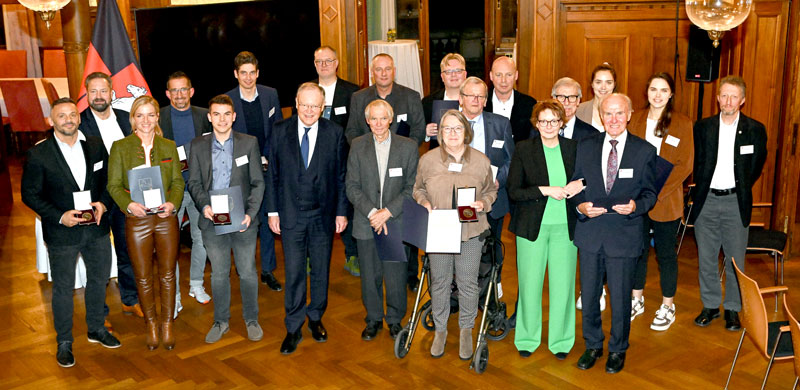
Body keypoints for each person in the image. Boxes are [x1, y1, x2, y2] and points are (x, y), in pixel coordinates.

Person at [22, 97, 121, 368]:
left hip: (97, 230)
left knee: (98, 280)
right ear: (51, 121)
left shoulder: (96, 146)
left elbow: (110, 182)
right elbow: (29, 195)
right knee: (64, 289)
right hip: (62, 234)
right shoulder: (38, 154)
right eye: (62, 116)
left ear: (79, 118)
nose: (68, 120)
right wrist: (59, 216)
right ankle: (64, 341)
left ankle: (96, 329)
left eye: (72, 115)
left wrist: (103, 203)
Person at [572, 93, 657, 374]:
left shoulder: (644, 151)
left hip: (624, 234)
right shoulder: (584, 147)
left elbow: (649, 193)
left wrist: (636, 206)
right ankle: (593, 345)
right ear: (600, 115)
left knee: (621, 298)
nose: (614, 119)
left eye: (619, 113)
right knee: (590, 293)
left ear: (630, 114)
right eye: (608, 114)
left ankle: (618, 349)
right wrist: (580, 205)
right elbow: (575, 185)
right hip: (591, 233)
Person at [267, 83, 348, 355]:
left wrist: (340, 212)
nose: (310, 110)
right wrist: (272, 211)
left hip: (322, 216)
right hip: (289, 215)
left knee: (321, 270)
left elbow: (340, 177)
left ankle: (315, 318)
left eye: (315, 106)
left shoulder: (335, 134)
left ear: (322, 107)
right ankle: (293, 326)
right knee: (294, 272)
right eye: (305, 105)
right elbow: (273, 176)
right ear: (296, 103)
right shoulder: (279, 131)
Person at [413, 109, 497, 360]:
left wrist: (484, 203)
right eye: (447, 128)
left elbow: (491, 190)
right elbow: (417, 189)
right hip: (439, 229)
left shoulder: (481, 161)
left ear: (466, 132)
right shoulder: (427, 160)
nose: (452, 133)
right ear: (440, 133)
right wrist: (424, 203)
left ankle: (465, 330)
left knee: (467, 283)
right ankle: (440, 330)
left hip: (471, 231)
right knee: (438, 282)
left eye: (457, 128)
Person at [689, 75, 767, 331]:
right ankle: (710, 306)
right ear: (718, 98)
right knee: (707, 258)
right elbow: (697, 162)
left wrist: (739, 187)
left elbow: (755, 167)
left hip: (736, 202)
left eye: (734, 96)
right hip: (707, 201)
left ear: (742, 100)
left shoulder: (755, 130)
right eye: (724, 95)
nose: (728, 100)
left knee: (735, 260)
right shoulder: (703, 128)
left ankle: (733, 308)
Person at [107, 96, 184, 350]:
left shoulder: (168, 146)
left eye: (151, 115)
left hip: (164, 219)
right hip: (137, 220)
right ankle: (151, 323)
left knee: (168, 274)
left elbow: (178, 183)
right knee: (142, 276)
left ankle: (167, 324)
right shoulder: (120, 147)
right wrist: (129, 205)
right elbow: (113, 185)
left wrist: (172, 203)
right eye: (140, 115)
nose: (146, 120)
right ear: (132, 119)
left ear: (157, 117)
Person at [187, 95, 265, 344]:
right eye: (216, 114)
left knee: (248, 272)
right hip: (212, 221)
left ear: (234, 116)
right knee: (219, 274)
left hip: (242, 221)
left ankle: (251, 319)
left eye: (226, 114)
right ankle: (220, 321)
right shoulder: (197, 145)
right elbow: (194, 182)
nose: (222, 119)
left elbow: (257, 182)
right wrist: (204, 205)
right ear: (209, 117)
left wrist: (250, 215)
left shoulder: (248, 143)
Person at [508, 100, 581, 359]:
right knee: (529, 284)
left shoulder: (574, 148)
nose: (548, 126)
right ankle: (527, 337)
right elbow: (514, 191)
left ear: (561, 123)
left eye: (553, 120)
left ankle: (561, 341)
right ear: (536, 124)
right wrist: (545, 190)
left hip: (566, 228)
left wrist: (579, 185)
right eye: (543, 121)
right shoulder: (524, 149)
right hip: (531, 228)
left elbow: (586, 178)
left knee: (563, 287)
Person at [346, 100, 419, 340]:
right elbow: (352, 186)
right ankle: (374, 319)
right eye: (373, 119)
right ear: (367, 121)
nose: (378, 123)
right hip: (366, 222)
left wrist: (387, 212)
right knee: (370, 275)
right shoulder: (357, 146)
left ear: (391, 119)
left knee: (396, 275)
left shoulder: (407, 147)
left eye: (383, 118)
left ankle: (395, 319)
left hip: (395, 221)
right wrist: (372, 213)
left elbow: (412, 187)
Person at [628, 72, 694, 331]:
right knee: (639, 252)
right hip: (636, 200)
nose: (657, 95)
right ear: (647, 92)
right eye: (653, 89)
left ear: (671, 94)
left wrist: (655, 193)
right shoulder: (635, 119)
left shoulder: (682, 123)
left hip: (666, 200)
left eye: (663, 90)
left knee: (666, 255)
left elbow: (684, 165)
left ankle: (668, 304)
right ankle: (637, 299)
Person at [78, 72, 141, 320]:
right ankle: (99, 314)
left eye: (103, 90)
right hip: (97, 202)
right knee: (99, 261)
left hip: (126, 197)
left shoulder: (127, 120)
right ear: (87, 94)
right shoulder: (80, 124)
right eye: (93, 91)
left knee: (128, 252)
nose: (99, 96)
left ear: (111, 92)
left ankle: (130, 300)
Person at [225, 51, 284, 292]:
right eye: (243, 73)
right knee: (244, 221)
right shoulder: (227, 100)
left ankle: (268, 270)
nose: (248, 78)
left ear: (257, 73)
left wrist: (268, 157)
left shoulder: (271, 95)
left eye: (252, 73)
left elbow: (278, 128)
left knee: (270, 217)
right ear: (236, 75)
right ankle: (245, 269)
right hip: (240, 170)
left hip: (268, 167)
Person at [160, 71, 212, 306]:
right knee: (170, 245)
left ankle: (196, 284)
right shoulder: (158, 118)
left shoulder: (205, 115)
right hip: (172, 191)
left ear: (191, 91)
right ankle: (175, 296)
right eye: (174, 90)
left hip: (199, 188)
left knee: (201, 239)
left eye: (184, 89)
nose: (179, 95)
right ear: (168, 93)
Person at [458, 77, 514, 293]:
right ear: (461, 99)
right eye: (471, 95)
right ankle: (461, 288)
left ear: (485, 100)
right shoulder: (450, 124)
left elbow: (511, 160)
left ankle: (493, 284)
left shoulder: (500, 124)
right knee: (462, 243)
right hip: (458, 198)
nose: (476, 99)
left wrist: (499, 180)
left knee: (491, 244)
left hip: (492, 198)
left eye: (480, 96)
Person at [311, 45, 362, 277]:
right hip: (313, 162)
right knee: (315, 209)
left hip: (344, 161)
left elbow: (356, 129)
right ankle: (312, 257)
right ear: (314, 64)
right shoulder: (307, 91)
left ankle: (352, 255)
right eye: (319, 61)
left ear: (336, 63)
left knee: (347, 209)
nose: (324, 65)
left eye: (328, 61)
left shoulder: (352, 92)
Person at [345, 53, 425, 145]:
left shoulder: (411, 97)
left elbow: (419, 130)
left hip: (402, 155)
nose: (384, 74)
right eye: (379, 69)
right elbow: (352, 131)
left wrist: (404, 151)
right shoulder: (358, 98)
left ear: (394, 71)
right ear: (372, 72)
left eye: (388, 69)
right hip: (367, 155)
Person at [485, 56, 537, 143]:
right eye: (498, 75)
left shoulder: (529, 104)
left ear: (516, 75)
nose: (503, 80)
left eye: (509, 75)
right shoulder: (482, 102)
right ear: (491, 76)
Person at [422, 53, 468, 149]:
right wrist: (426, 132)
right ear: (442, 77)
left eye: (458, 71)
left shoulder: (476, 100)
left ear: (465, 74)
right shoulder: (428, 102)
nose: (454, 75)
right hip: (439, 157)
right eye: (448, 72)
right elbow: (418, 131)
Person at [576, 63, 617, 131]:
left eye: (608, 82)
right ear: (592, 84)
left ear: (614, 85)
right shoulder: (578, 111)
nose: (603, 87)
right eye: (598, 82)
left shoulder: (622, 111)